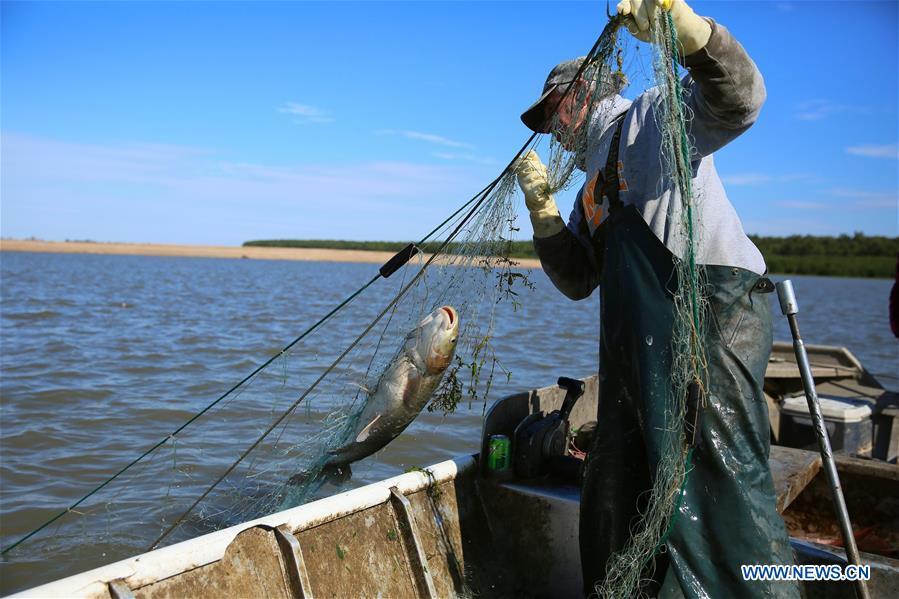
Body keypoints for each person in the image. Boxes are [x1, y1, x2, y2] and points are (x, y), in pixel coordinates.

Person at [516, 1, 799, 597]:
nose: (552, 131)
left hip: (714, 325)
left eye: (552, 115)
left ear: (578, 98)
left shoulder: (650, 117)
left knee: (719, 481)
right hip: (639, 357)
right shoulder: (592, 180)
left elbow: (741, 101)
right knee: (616, 484)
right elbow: (577, 279)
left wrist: (687, 31)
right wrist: (543, 215)